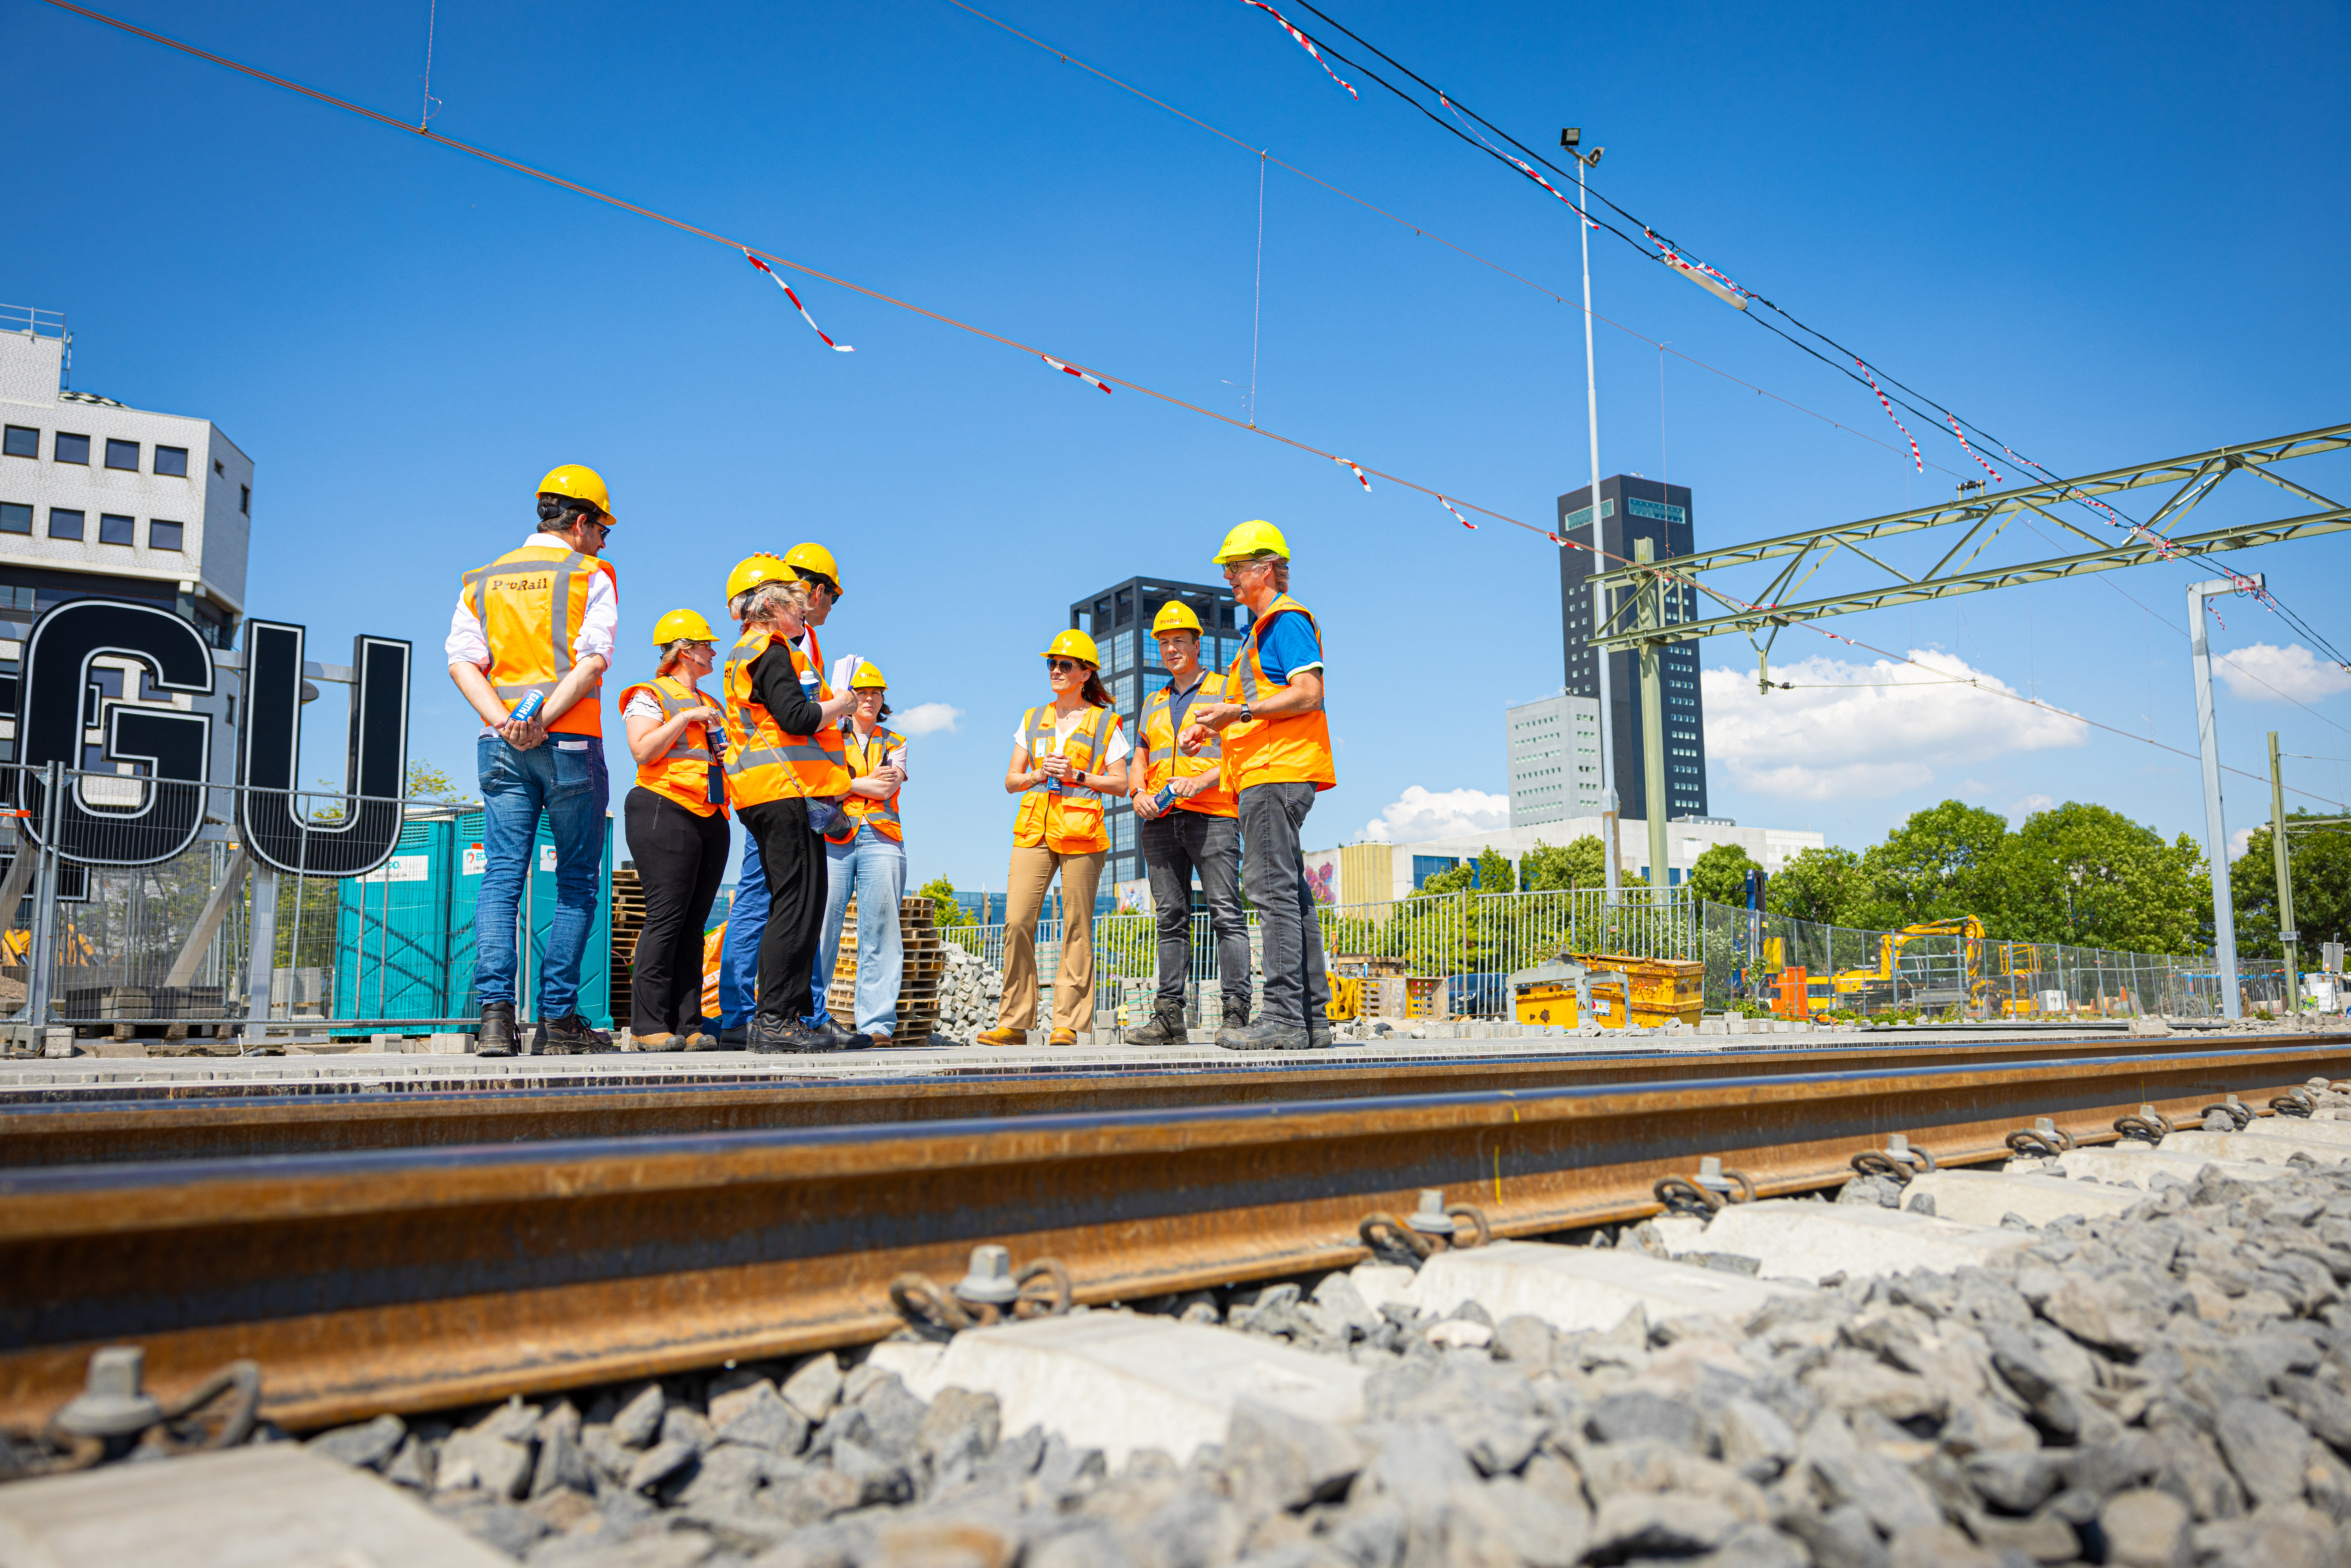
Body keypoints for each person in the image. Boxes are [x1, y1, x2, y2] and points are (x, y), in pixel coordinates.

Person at [447, 465, 620, 1058]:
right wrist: (543, 721)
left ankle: (495, 1021)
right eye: (602, 528)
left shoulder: (482, 578)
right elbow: (594, 661)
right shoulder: (590, 573)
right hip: (569, 740)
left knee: (502, 877)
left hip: (499, 743)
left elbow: (462, 661)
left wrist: (504, 721)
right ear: (580, 522)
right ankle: (558, 1022)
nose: (603, 541)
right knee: (575, 884)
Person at [1179, 520, 1336, 1052]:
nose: (1229, 578)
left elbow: (1308, 692)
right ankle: (1310, 1018)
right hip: (1270, 772)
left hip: (1276, 776)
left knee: (1272, 896)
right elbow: (1266, 710)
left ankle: (1286, 1018)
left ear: (1265, 568)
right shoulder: (1262, 630)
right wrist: (1222, 727)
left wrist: (1238, 710)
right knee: (1290, 896)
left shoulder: (1283, 620)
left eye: (1235, 568)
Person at [719, 554, 859, 1052]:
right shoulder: (769, 650)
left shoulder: (748, 651)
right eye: (796, 603)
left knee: (798, 904)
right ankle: (776, 1019)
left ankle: (792, 1015)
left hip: (770, 793)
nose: (804, 611)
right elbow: (797, 717)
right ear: (774, 603)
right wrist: (841, 705)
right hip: (783, 793)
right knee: (795, 908)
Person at [977, 630, 1130, 1048]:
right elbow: (1012, 781)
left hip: (1081, 831)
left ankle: (1068, 1023)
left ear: (1086, 673)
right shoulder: (1031, 719)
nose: (1057, 671)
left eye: (1066, 665)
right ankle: (1014, 1023)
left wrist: (1077, 775)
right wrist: (1039, 775)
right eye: (1052, 665)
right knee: (1016, 921)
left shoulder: (1104, 722)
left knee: (1077, 926)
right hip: (1035, 828)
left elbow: (1121, 783)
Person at [1125, 600, 1249, 1047]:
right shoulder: (1153, 702)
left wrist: (1201, 781)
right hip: (1160, 820)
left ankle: (1236, 1012)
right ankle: (1169, 1017)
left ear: (1198, 644)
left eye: (1180, 640)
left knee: (1225, 914)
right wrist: (1138, 793)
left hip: (1213, 814)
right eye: (1164, 642)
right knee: (1170, 918)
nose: (1172, 648)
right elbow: (1139, 757)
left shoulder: (1223, 690)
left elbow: (1243, 753)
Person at [616, 608, 730, 1049]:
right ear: (684, 651)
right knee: (666, 919)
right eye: (706, 645)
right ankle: (647, 1026)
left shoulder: (713, 704)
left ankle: (689, 1024)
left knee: (693, 923)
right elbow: (643, 750)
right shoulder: (649, 695)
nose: (713, 652)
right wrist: (686, 719)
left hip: (709, 813)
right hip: (663, 808)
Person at [813, 662, 909, 1047]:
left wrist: (846, 785)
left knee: (882, 932)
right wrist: (860, 783)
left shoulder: (896, 741)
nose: (869, 698)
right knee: (821, 929)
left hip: (882, 838)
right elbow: (818, 786)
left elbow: (888, 787)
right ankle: (809, 1014)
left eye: (876, 693)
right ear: (849, 698)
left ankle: (876, 1026)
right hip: (835, 837)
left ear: (884, 699)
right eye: (863, 692)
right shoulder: (829, 737)